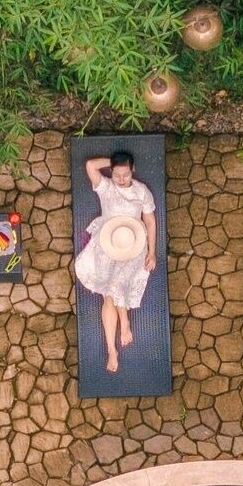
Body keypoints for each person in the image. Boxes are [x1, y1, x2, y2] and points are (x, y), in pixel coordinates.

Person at [73, 151, 158, 374]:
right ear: (112, 171)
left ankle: (123, 327)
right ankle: (113, 347)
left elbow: (149, 220)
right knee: (108, 294)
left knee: (112, 289)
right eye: (117, 174)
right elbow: (91, 165)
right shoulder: (106, 186)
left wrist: (152, 251)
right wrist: (111, 163)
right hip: (108, 242)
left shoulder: (141, 191)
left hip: (133, 243)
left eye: (126, 174)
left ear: (133, 170)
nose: (121, 179)